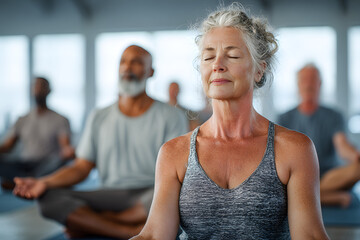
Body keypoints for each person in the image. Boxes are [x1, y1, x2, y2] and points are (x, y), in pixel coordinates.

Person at [132, 3, 329, 240]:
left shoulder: (294, 149)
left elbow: (310, 236)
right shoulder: (174, 153)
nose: (217, 65)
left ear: (259, 70)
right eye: (208, 57)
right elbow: (154, 235)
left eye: (233, 55)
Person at [13, 45, 188, 239]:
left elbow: (177, 174)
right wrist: (42, 182)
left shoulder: (172, 116)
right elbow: (81, 168)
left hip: (151, 192)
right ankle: (129, 231)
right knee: (47, 198)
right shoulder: (99, 116)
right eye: (123, 61)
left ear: (151, 72)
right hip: (108, 194)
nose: (128, 67)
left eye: (137, 62)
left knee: (176, 197)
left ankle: (91, 224)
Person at [278, 63, 360, 208]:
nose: (308, 84)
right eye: (304, 80)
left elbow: (342, 145)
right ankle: (328, 197)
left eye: (312, 80)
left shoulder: (334, 115)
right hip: (299, 176)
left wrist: (355, 155)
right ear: (298, 84)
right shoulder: (284, 118)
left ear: (319, 84)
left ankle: (304, 197)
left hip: (330, 178)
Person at [0, 77, 75, 189]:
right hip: (24, 164)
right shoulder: (22, 119)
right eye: (36, 86)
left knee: (58, 163)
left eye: (42, 86)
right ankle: (33, 181)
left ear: (49, 90)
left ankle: (21, 182)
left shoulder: (60, 119)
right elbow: (8, 146)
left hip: (47, 164)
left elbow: (65, 146)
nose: (38, 89)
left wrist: (68, 151)